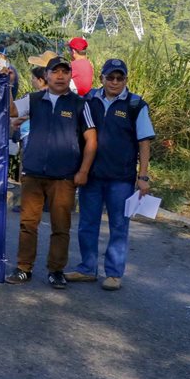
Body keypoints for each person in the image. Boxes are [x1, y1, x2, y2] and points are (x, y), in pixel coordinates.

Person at [7, 56, 97, 289]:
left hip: (64, 176)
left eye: (64, 72)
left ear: (70, 76)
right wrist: (7, 84)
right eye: (55, 72)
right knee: (28, 224)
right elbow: (11, 110)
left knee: (61, 227)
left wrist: (83, 171)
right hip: (34, 173)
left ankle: (56, 270)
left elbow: (91, 139)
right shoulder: (34, 99)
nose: (60, 76)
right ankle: (23, 268)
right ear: (46, 75)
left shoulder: (80, 104)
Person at [68, 59, 155, 292]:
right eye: (111, 77)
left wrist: (143, 176)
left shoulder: (136, 105)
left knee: (118, 225)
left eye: (120, 78)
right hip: (92, 175)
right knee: (87, 224)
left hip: (121, 178)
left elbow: (144, 141)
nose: (115, 82)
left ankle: (114, 274)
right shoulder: (89, 101)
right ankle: (87, 268)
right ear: (102, 78)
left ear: (125, 80)